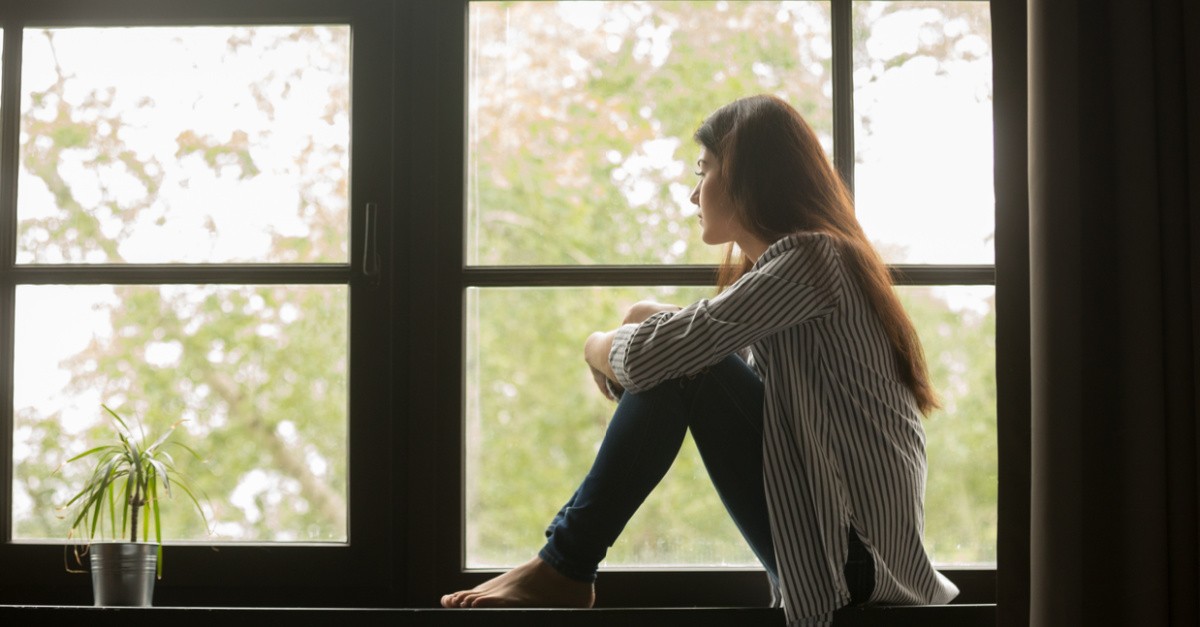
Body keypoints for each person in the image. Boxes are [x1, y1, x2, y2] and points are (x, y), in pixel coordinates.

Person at [440, 94, 959, 625]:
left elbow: (665, 359)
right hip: (843, 559)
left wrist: (595, 345)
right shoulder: (812, 270)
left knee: (685, 363)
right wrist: (644, 316)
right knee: (682, 356)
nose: (693, 193)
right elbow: (701, 346)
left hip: (855, 567)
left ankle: (565, 566)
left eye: (704, 171)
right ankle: (560, 565)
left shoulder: (814, 259)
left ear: (746, 176)